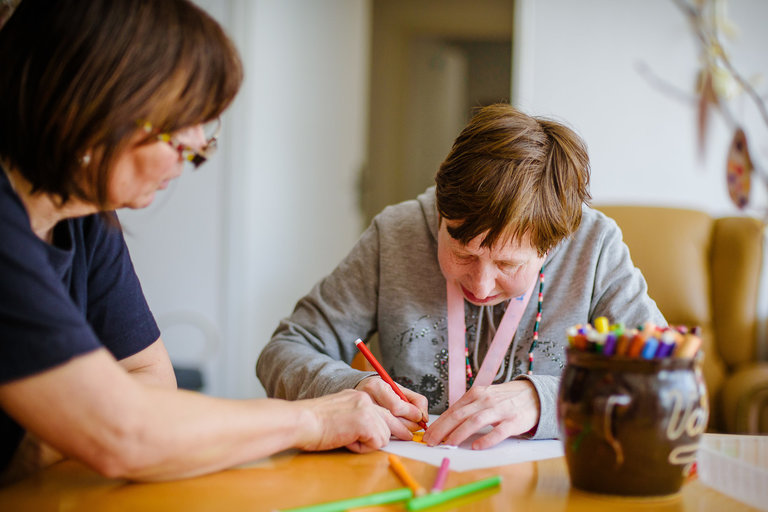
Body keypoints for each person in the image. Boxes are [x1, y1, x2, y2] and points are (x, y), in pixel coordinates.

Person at [0, 0, 408, 485]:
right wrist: (315, 419)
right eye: (179, 122)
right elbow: (124, 431)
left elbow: (151, 383)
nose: (196, 149)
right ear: (89, 108)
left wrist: (78, 423)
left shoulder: (86, 217)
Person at [257, 103, 666, 449]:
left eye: (508, 265)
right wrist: (349, 389)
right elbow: (283, 351)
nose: (480, 285)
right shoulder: (395, 234)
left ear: (552, 245)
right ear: (441, 211)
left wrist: (547, 400)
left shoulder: (594, 248)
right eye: (462, 253)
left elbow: (666, 380)